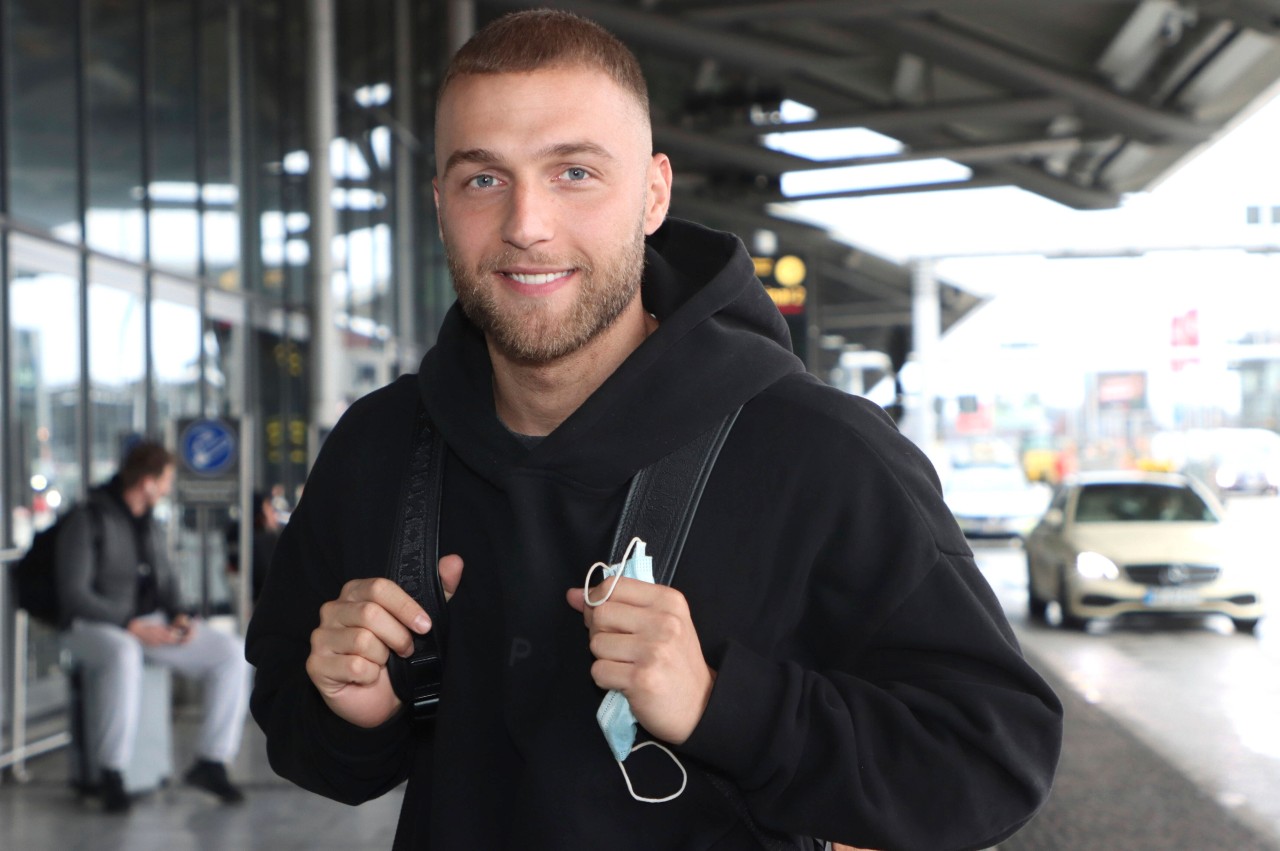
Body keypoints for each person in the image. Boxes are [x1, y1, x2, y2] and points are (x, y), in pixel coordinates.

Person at [246, 10, 1062, 849]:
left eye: (574, 173)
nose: (527, 224)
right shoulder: (377, 448)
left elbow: (992, 757)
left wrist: (721, 704)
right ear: (440, 202)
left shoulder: (820, 452)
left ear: (654, 194)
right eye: (483, 179)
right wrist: (356, 712)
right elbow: (306, 742)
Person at [56, 440, 250, 814]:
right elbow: (73, 594)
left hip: (147, 625)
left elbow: (168, 585)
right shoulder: (88, 518)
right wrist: (129, 624)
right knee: (124, 652)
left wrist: (181, 616)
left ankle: (212, 760)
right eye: (165, 480)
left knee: (231, 653)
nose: (167, 488)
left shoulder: (151, 526)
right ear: (147, 481)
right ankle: (111, 772)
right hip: (92, 626)